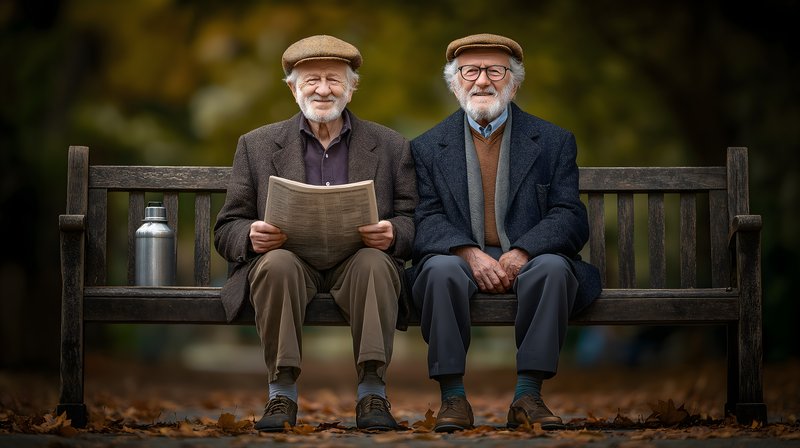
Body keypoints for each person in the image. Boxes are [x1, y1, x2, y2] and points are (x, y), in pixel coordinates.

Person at [214, 35, 417, 432]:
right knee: (275, 265)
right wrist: (250, 234)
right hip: (289, 262)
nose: (323, 89)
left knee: (375, 264)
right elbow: (227, 227)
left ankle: (373, 392)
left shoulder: (391, 145)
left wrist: (393, 232)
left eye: (334, 79)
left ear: (351, 88)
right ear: (293, 89)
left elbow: (412, 218)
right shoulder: (255, 145)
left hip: (358, 262)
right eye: (312, 80)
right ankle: (281, 394)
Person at [410, 33, 601, 432]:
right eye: (470, 71)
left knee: (554, 268)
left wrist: (523, 252)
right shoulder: (426, 147)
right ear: (455, 83)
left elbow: (569, 214)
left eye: (495, 71)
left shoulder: (554, 141)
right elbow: (425, 217)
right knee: (439, 271)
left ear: (513, 84)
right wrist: (469, 253)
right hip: (459, 260)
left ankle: (528, 395)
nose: (482, 80)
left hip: (531, 259)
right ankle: (453, 399)